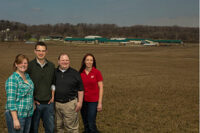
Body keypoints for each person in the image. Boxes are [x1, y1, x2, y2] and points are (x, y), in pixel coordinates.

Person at [27, 42, 55, 133]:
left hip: (49, 104)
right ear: (35, 51)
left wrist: (53, 96)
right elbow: (26, 85)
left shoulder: (51, 66)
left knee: (50, 129)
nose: (41, 53)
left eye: (43, 51)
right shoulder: (29, 66)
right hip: (35, 105)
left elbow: (53, 83)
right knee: (33, 129)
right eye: (38, 50)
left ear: (46, 52)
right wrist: (32, 99)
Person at [54, 53, 84, 133]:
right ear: (58, 61)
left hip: (70, 104)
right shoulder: (54, 72)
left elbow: (80, 89)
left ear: (69, 61)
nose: (65, 62)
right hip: (56, 105)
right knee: (58, 127)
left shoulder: (75, 73)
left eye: (67, 60)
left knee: (71, 128)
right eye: (63, 60)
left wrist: (80, 102)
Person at [5, 54, 34, 133]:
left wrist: (32, 105)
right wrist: (15, 119)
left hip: (28, 114)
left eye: (25, 63)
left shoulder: (27, 77)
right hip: (18, 116)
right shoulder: (13, 79)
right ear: (16, 64)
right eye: (21, 63)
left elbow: (30, 94)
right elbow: (11, 101)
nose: (23, 65)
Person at [79, 53, 104, 133]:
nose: (89, 62)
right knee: (85, 122)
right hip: (83, 101)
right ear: (84, 61)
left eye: (91, 60)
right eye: (87, 60)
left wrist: (99, 103)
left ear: (93, 62)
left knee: (91, 122)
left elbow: (101, 87)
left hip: (93, 101)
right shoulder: (80, 73)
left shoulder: (97, 72)